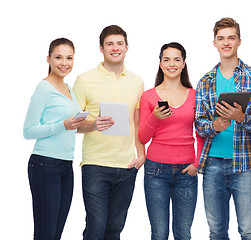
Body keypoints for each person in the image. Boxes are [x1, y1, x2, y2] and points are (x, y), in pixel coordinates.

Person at [195, 17, 251, 240]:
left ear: (239, 41)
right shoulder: (205, 81)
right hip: (212, 165)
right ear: (214, 43)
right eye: (221, 38)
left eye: (231, 38)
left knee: (248, 230)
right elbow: (199, 124)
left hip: (245, 164)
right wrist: (214, 126)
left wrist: (241, 117)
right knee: (216, 232)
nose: (226, 42)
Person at [72, 25, 145, 240]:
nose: (115, 48)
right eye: (110, 44)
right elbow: (74, 124)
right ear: (101, 49)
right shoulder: (85, 80)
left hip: (126, 166)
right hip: (95, 164)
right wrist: (94, 124)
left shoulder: (137, 82)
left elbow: (138, 123)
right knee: (96, 227)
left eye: (119, 43)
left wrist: (141, 155)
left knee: (115, 228)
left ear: (127, 47)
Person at [23, 38, 85, 239]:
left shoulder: (69, 89)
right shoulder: (44, 88)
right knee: (45, 233)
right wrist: (62, 125)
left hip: (66, 165)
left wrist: (93, 124)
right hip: (44, 165)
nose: (64, 63)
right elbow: (28, 130)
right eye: (58, 57)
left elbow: (72, 126)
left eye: (69, 58)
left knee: (56, 233)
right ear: (48, 59)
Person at [138, 42, 200, 240]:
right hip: (156, 170)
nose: (171, 64)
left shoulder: (195, 96)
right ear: (160, 63)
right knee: (159, 234)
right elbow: (142, 137)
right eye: (167, 59)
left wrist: (197, 164)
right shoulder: (148, 96)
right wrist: (155, 116)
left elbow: (201, 134)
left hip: (186, 172)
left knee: (183, 234)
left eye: (176, 59)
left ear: (183, 64)